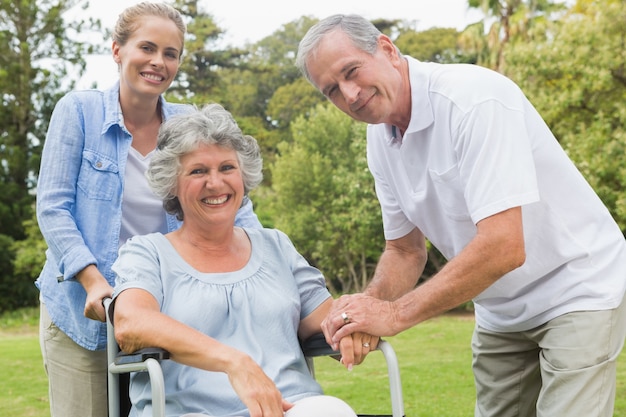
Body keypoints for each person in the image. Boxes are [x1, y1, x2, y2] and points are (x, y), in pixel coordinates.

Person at [295, 14, 626, 417]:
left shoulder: (474, 99)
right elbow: (404, 250)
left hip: (576, 287)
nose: (349, 94)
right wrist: (363, 310)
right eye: (331, 89)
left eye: (351, 71)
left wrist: (395, 314)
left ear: (386, 49)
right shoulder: (378, 137)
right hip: (500, 310)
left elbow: (504, 246)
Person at [35, 3, 261, 417]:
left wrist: (273, 264)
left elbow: (231, 204)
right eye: (147, 48)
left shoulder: (188, 123)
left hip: (164, 312)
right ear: (117, 50)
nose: (159, 62)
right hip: (84, 312)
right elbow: (53, 208)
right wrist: (93, 280)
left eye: (170, 53)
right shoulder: (78, 111)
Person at [110, 103, 373, 417]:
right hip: (191, 413)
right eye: (198, 171)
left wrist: (355, 324)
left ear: (243, 175)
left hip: (290, 408)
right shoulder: (147, 253)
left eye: (226, 168)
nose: (216, 183)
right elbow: (130, 324)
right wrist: (233, 362)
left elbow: (329, 318)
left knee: (332, 410)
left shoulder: (276, 245)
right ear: (172, 184)